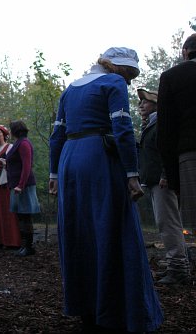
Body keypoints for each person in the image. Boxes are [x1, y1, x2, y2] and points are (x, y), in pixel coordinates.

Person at [49, 47, 163, 332]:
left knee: (79, 232)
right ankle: (116, 311)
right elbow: (122, 128)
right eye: (130, 75)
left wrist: (53, 173)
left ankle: (87, 309)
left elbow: (57, 134)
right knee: (111, 228)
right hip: (99, 159)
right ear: (120, 69)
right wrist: (132, 174)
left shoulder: (71, 88)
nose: (130, 81)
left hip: (69, 161)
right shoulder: (113, 83)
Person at [138, 88, 190, 285]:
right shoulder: (150, 124)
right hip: (155, 181)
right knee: (167, 223)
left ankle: (178, 269)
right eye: (140, 103)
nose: (141, 105)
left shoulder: (161, 123)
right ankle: (176, 265)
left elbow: (168, 150)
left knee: (168, 224)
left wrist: (166, 174)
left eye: (145, 102)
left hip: (162, 182)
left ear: (156, 105)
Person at [158, 32, 196, 233]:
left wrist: (172, 177)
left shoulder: (172, 76)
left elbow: (166, 131)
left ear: (185, 52)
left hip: (191, 155)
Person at [5, 120, 40, 257]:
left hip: (23, 186)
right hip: (16, 185)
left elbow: (27, 166)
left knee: (25, 216)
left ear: (15, 130)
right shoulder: (18, 143)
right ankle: (24, 246)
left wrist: (21, 185)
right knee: (20, 216)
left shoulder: (24, 143)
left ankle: (29, 247)